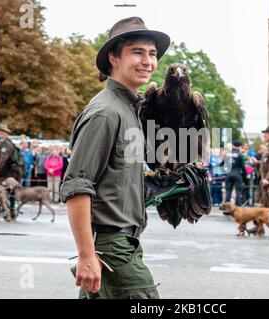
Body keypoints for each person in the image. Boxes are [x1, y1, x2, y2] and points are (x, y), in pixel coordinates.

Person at [60, 17, 170, 299]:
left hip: (124, 243)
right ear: (113, 58)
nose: (147, 61)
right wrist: (86, 256)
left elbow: (118, 181)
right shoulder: (105, 113)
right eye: (137, 52)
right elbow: (76, 186)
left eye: (153, 54)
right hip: (112, 248)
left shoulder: (130, 110)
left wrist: (168, 183)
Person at [0, 123, 24, 217]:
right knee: (9, 191)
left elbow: (3, 158)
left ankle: (11, 211)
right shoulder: (8, 142)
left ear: (2, 132)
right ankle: (9, 210)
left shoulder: (5, 143)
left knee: (7, 191)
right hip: (10, 171)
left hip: (9, 172)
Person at [221, 140, 247, 206]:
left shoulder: (227, 153)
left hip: (228, 175)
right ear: (239, 147)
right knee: (238, 191)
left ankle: (226, 207)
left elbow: (221, 164)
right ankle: (237, 207)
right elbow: (243, 167)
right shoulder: (240, 154)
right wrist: (245, 176)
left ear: (233, 145)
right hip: (237, 174)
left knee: (228, 191)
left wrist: (225, 173)